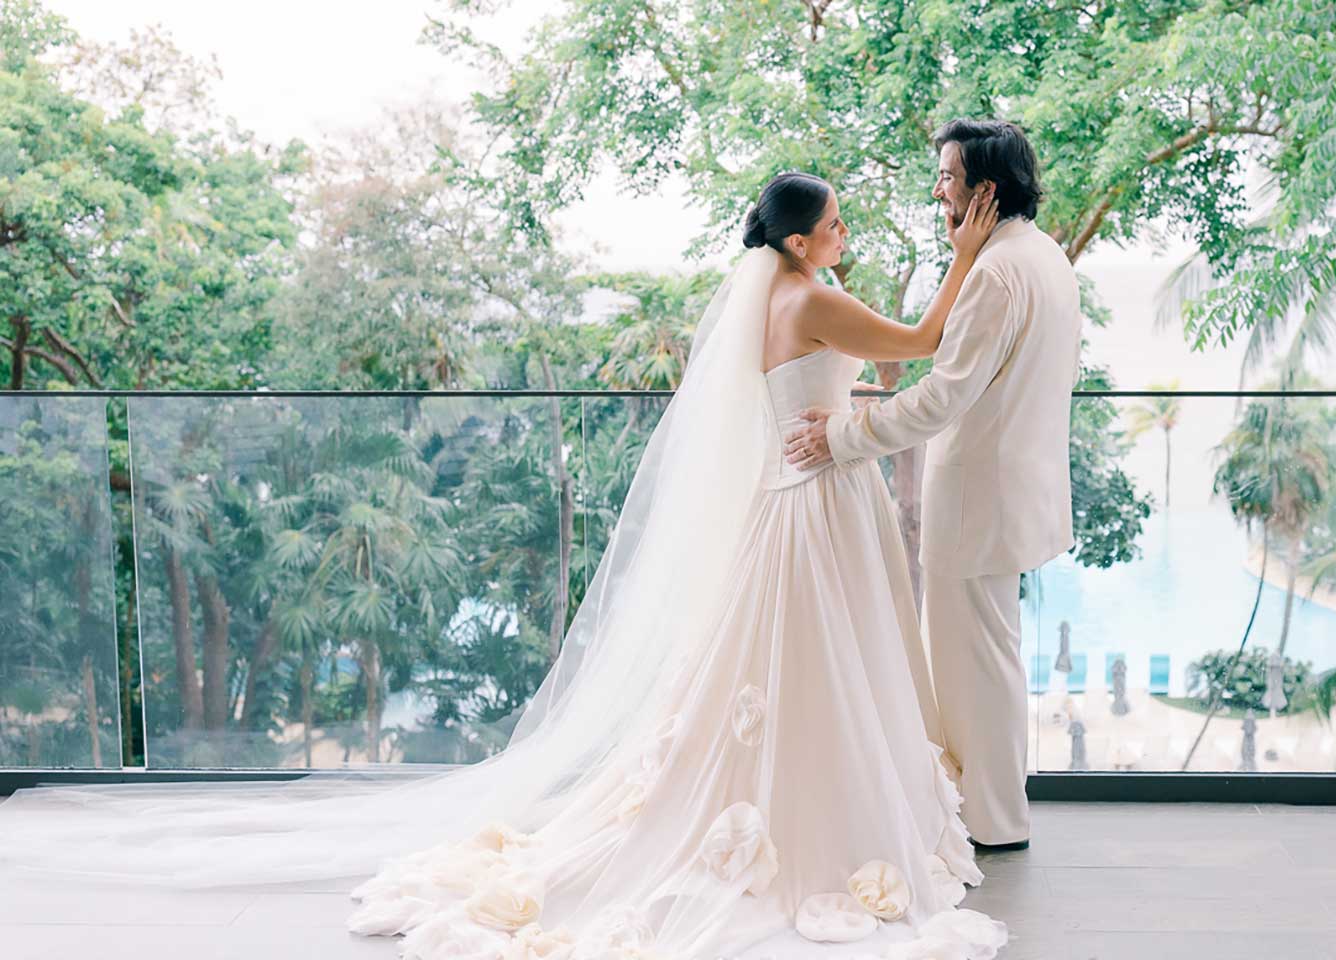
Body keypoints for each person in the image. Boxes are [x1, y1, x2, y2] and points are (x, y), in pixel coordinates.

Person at [0, 171, 1009, 960]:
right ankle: (822, 818)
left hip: (786, 504)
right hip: (820, 502)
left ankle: (785, 805)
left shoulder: (788, 298)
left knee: (776, 676)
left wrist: (859, 383)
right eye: (833, 223)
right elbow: (917, 344)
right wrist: (963, 255)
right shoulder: (815, 300)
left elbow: (863, 368)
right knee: (817, 669)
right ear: (798, 240)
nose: (843, 232)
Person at [785, 119, 1083, 852]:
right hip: (1015, 493)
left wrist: (842, 437)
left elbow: (943, 396)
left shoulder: (999, 273)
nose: (937, 189)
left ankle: (989, 823)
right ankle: (987, 812)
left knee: (974, 667)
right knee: (989, 660)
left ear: (985, 189)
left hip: (981, 501)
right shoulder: (1043, 257)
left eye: (947, 177)